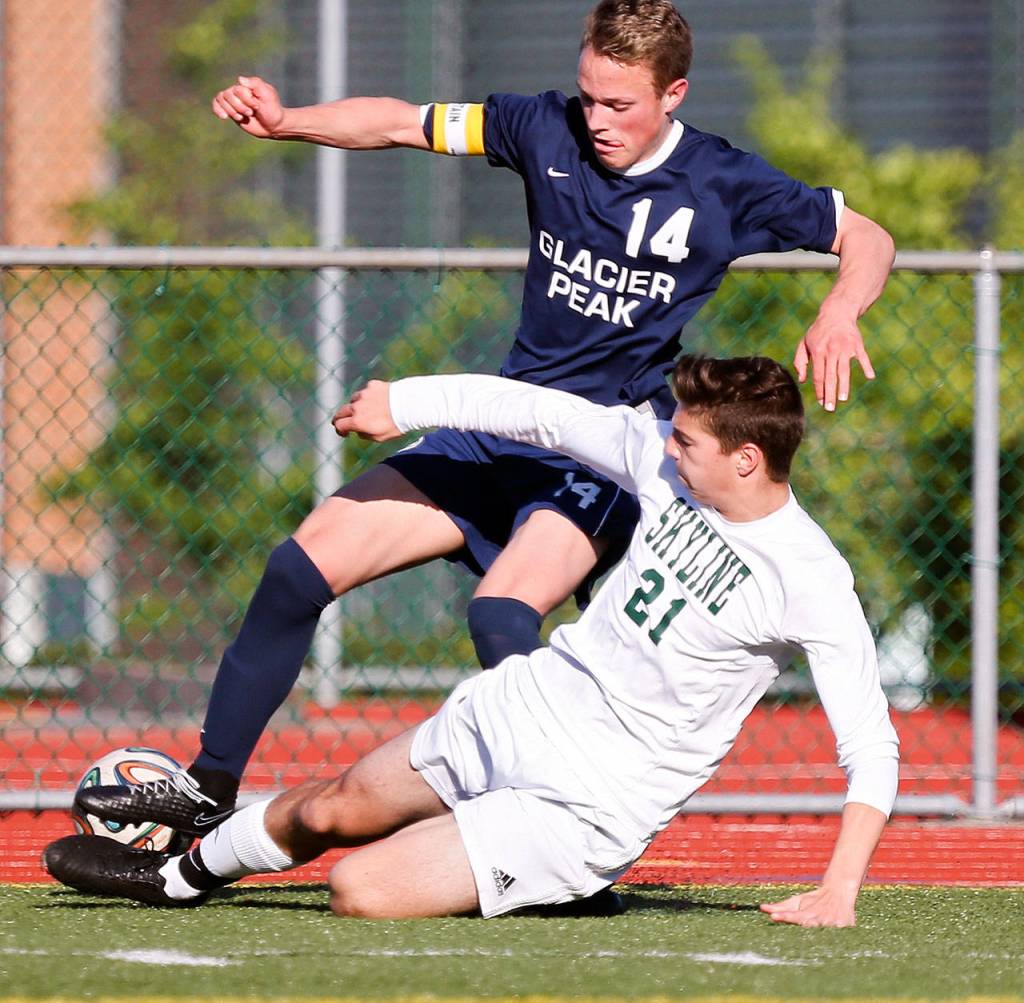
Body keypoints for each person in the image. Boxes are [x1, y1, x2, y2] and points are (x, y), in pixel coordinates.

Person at [77, 0, 895, 838]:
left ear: (674, 94)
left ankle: (560, 824)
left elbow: (867, 237)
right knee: (296, 569)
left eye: (621, 105)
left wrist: (841, 307)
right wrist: (288, 123)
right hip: (495, 429)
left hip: (597, 456)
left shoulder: (727, 182)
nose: (597, 120)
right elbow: (399, 122)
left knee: (500, 614)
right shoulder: (542, 128)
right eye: (588, 97)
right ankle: (207, 793)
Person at [48, 355, 900, 927]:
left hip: (588, 804)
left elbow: (872, 745)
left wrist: (840, 887)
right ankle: (172, 878)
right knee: (330, 805)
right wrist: (404, 403)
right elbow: (535, 412)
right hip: (523, 705)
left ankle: (558, 879)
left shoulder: (810, 577)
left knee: (358, 885)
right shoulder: (662, 463)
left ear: (747, 459)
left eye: (688, 440)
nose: (668, 449)